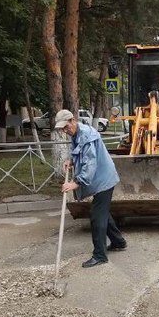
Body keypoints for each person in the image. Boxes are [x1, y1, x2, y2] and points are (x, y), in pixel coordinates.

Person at [55, 109, 127, 268]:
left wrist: (75, 183)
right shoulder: (77, 134)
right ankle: (119, 242)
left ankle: (100, 255)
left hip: (104, 180)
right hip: (100, 178)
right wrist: (71, 161)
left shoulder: (87, 135)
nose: (65, 131)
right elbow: (79, 153)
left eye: (66, 127)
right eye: (63, 129)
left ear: (72, 120)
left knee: (97, 215)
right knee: (102, 213)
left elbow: (90, 163)